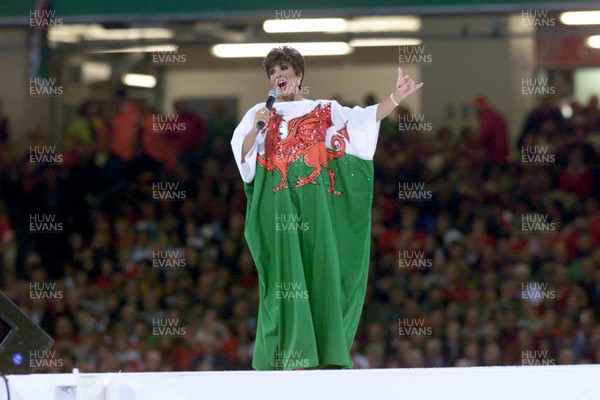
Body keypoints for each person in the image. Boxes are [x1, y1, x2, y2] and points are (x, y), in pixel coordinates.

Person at [230, 46, 422, 370]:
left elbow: (361, 122)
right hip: (280, 209)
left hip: (316, 207)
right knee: (282, 280)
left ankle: (323, 354)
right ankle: (287, 356)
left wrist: (396, 98)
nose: (279, 77)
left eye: (284, 70)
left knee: (322, 273)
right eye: (273, 73)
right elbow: (244, 160)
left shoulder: (323, 109)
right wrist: (256, 128)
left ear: (299, 75)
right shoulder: (259, 114)